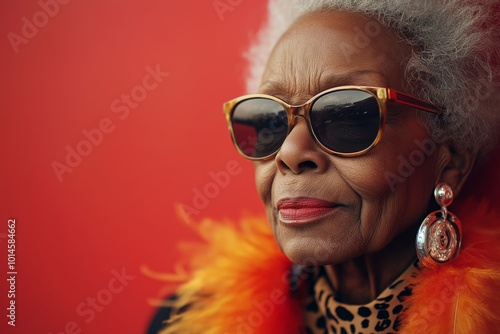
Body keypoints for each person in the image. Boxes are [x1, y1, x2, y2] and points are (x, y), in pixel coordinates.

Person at [148, 0, 500, 333]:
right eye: (271, 120)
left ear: (450, 161)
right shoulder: (187, 322)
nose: (289, 152)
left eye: (347, 115)